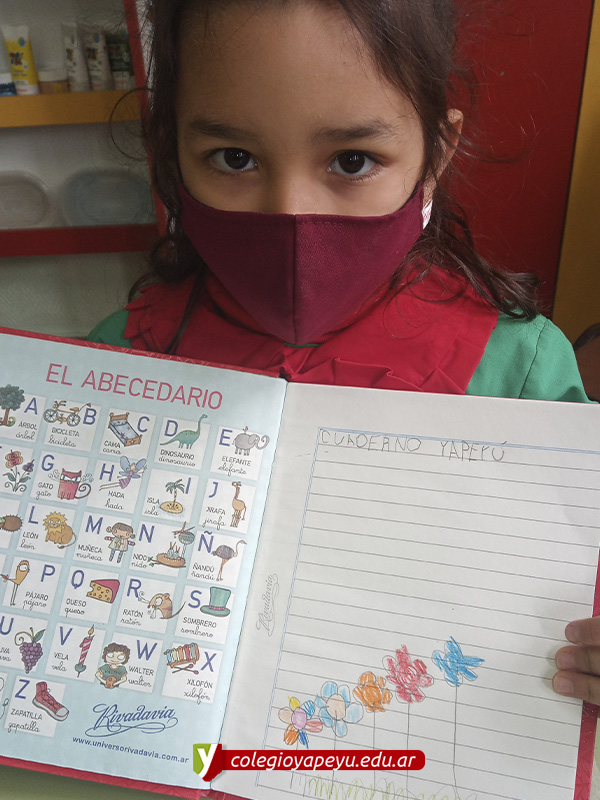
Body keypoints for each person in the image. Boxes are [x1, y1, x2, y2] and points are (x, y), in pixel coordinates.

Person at [88, 0, 597, 704]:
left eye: (352, 160)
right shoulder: (111, 361)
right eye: (234, 158)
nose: (290, 214)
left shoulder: (519, 369)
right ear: (169, 150)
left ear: (435, 153)